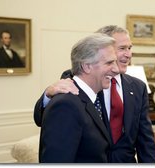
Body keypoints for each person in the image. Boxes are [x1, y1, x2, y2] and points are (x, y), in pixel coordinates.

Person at [34, 25, 155, 163]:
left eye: (130, 48)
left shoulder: (138, 87)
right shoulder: (75, 80)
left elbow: (145, 140)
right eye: (122, 48)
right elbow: (52, 120)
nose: (128, 54)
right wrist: (48, 95)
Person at [39, 33, 119, 163]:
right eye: (109, 63)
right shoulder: (66, 106)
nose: (116, 69)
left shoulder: (93, 97)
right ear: (86, 66)